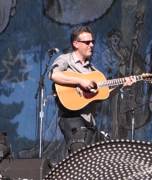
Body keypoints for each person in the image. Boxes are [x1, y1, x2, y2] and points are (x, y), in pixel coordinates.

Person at [49, 26, 135, 154]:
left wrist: (122, 85)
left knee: (91, 160)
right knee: (79, 155)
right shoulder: (66, 59)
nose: (91, 45)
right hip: (71, 117)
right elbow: (54, 75)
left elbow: (104, 94)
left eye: (93, 42)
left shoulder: (93, 71)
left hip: (89, 121)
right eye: (87, 42)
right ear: (76, 44)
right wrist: (80, 81)